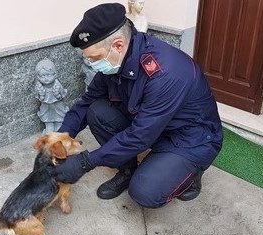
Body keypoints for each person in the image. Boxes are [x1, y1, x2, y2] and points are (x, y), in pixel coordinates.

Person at [52, 3, 223, 208]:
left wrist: (85, 162)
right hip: (153, 125)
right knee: (96, 110)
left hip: (188, 138)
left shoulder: (165, 74)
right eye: (88, 59)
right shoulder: (115, 62)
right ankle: (127, 169)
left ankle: (191, 174)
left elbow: (141, 135)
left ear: (118, 45)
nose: (92, 64)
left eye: (95, 58)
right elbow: (86, 102)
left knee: (144, 192)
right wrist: (61, 137)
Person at [34, 58, 69, 133]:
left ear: (55, 74)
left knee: (59, 119)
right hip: (46, 106)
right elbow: (38, 97)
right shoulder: (39, 87)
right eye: (42, 76)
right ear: (38, 77)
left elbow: (62, 94)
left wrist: (58, 95)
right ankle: (49, 128)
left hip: (58, 105)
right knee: (48, 120)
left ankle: (59, 129)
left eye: (48, 75)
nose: (46, 79)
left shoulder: (57, 85)